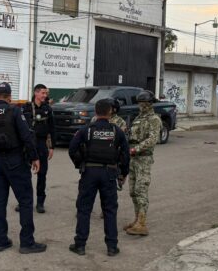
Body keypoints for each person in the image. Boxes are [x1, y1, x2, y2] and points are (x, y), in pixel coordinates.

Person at [0, 82, 47, 254]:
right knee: (25, 201)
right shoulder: (14, 111)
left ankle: (1, 241)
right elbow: (26, 136)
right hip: (15, 160)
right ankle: (27, 243)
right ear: (9, 96)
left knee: (0, 201)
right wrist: (34, 157)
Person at [68, 99, 130, 256]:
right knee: (109, 210)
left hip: (89, 172)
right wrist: (123, 173)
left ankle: (80, 245)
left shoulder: (86, 130)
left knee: (84, 209)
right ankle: (112, 247)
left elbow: (72, 149)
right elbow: (126, 154)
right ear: (110, 112)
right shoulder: (117, 131)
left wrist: (80, 163)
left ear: (95, 112)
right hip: (109, 173)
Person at [124, 90, 162, 236]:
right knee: (133, 191)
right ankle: (136, 220)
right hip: (133, 158)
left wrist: (135, 149)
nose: (141, 105)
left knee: (141, 190)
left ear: (150, 104)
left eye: (144, 103)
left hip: (143, 158)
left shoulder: (154, 119)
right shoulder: (139, 118)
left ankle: (142, 223)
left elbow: (152, 140)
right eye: (140, 103)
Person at [21, 83, 55, 213]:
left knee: (42, 175)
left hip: (41, 144)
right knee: (24, 174)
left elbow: (52, 129)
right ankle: (23, 201)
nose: (45, 95)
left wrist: (52, 147)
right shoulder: (26, 108)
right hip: (28, 144)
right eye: (43, 93)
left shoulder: (48, 109)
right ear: (36, 93)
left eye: (46, 93)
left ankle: (40, 202)